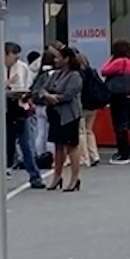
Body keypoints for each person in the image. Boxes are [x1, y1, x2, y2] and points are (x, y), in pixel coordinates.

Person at [0, 42, 45, 193]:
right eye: (12, 55)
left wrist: (24, 94)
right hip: (2, 110)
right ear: (4, 54)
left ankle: (35, 177)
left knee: (26, 146)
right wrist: (6, 85)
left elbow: (28, 85)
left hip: (19, 108)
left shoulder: (22, 67)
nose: (15, 59)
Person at [39, 47, 88, 192]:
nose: (55, 60)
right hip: (54, 114)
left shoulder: (75, 76)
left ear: (66, 59)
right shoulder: (56, 75)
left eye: (58, 57)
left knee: (71, 146)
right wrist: (46, 95)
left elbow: (69, 95)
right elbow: (42, 88)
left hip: (69, 115)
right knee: (58, 146)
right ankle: (57, 176)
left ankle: (74, 178)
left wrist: (54, 97)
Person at [101, 41, 130, 163]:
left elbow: (104, 70)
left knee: (119, 125)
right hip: (129, 96)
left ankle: (123, 152)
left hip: (118, 96)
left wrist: (112, 58)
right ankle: (125, 150)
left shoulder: (118, 62)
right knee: (124, 123)